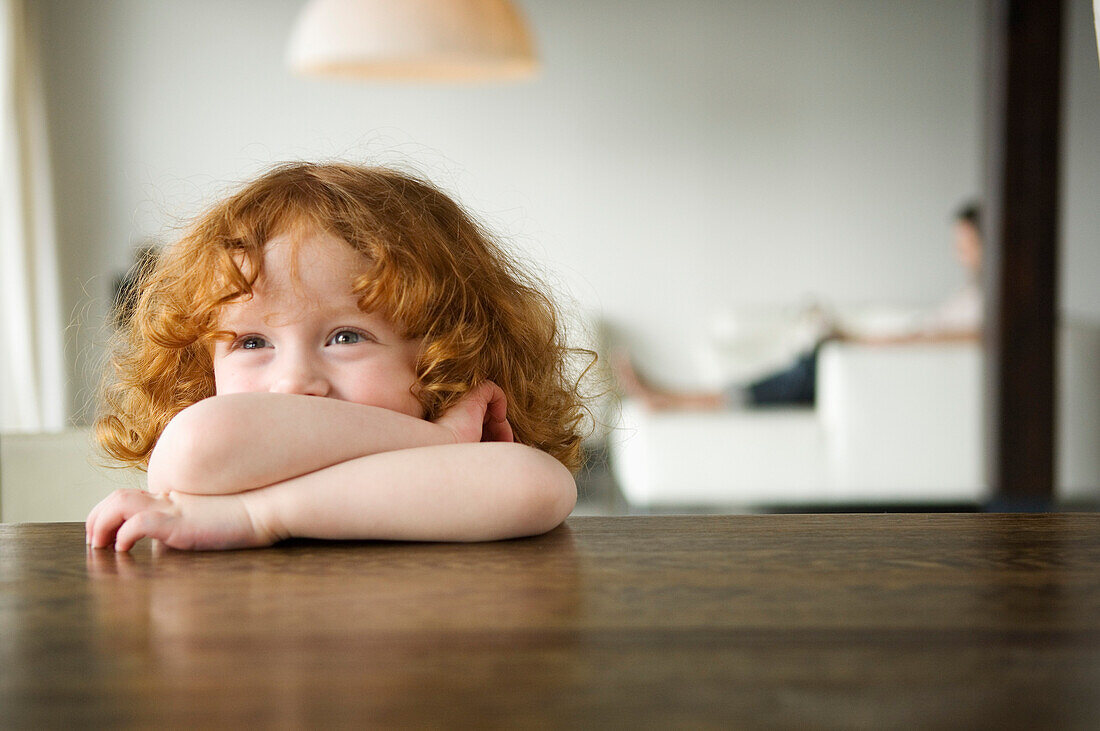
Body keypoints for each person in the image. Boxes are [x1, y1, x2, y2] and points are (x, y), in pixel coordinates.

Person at [86, 162, 586, 551]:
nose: (294, 382)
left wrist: (258, 516)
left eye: (346, 337)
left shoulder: (460, 471)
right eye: (252, 343)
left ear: (444, 358)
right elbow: (193, 448)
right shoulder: (206, 473)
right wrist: (432, 439)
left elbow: (539, 488)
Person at [614, 202, 983, 411]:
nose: (958, 253)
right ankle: (676, 396)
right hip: (879, 364)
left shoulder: (991, 301)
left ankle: (674, 398)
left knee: (801, 373)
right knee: (802, 359)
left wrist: (860, 342)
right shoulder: (972, 293)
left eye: (965, 243)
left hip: (885, 370)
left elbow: (937, 341)